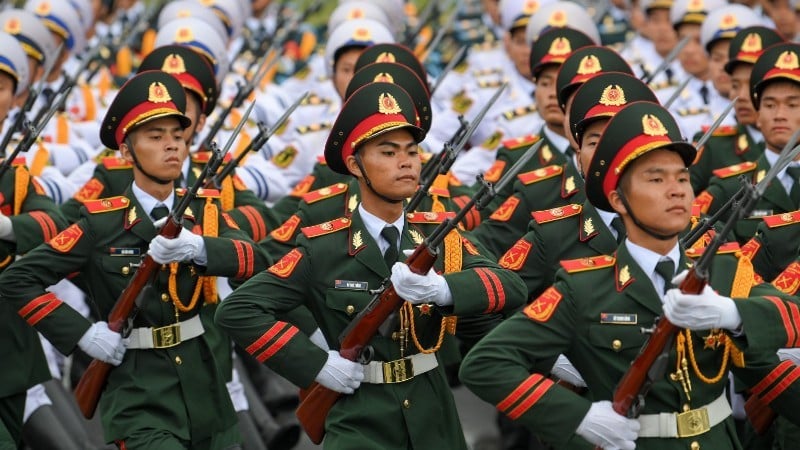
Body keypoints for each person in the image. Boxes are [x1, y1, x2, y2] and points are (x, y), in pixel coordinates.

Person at [460, 100, 800, 449]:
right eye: (656, 178)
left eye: (682, 177)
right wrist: (579, 417)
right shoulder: (585, 286)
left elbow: (786, 323)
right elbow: (486, 364)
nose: (677, 189)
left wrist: (735, 314)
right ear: (618, 200)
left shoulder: (724, 268)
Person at [215, 81, 527, 448]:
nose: (406, 161)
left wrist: (444, 289)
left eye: (412, 150)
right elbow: (238, 310)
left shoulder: (435, 234)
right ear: (354, 165)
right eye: (388, 151)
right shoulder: (325, 246)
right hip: (358, 419)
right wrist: (316, 363)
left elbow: (510, 286)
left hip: (433, 416)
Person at [0, 70, 269, 449]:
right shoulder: (101, 222)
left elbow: (256, 259)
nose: (172, 146)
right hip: (139, 392)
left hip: (205, 384)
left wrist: (200, 248)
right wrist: (83, 335)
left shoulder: (204, 212)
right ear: (126, 151)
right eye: (156, 138)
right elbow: (18, 279)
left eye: (178, 136)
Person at [0, 30, 69, 450]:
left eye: (1, 87)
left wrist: (8, 227)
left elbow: (54, 223)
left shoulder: (13, 173)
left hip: (8, 346)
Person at [696, 42, 800, 243]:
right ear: (758, 115)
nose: (779, 115)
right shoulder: (730, 188)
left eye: (792, 104)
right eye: (769, 105)